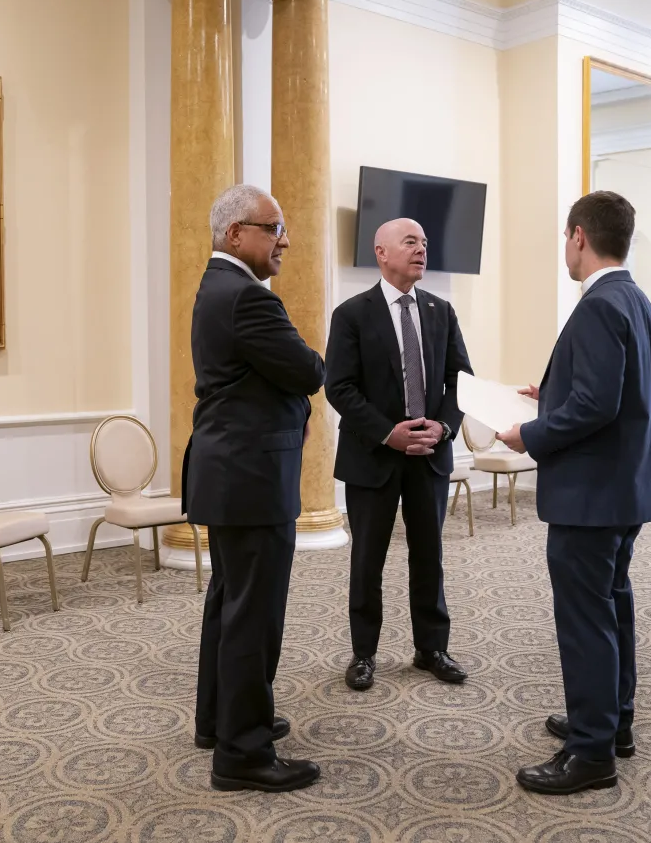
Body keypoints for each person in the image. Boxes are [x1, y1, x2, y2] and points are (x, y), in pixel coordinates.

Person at [497, 190, 651, 795]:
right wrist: (553, 399)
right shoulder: (638, 301)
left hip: (589, 492)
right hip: (623, 487)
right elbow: (615, 396)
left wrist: (530, 434)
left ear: (578, 236)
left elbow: (598, 403)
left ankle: (591, 753)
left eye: (565, 240)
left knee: (585, 617)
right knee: (612, 602)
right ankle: (611, 721)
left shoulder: (598, 305)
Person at [187, 183, 326, 793]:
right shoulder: (248, 298)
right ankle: (243, 752)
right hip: (250, 478)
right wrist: (305, 372)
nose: (285, 240)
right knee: (253, 614)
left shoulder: (216, 288)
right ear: (235, 233)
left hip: (230, 473)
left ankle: (220, 720)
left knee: (229, 601)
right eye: (274, 228)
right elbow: (308, 370)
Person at [325, 218, 473, 693]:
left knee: (429, 555)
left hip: (428, 454)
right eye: (410, 242)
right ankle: (364, 654)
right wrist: (388, 433)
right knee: (368, 559)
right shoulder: (352, 313)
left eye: (425, 243)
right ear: (381, 252)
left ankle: (431, 648)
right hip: (374, 457)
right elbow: (339, 387)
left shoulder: (440, 311)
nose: (421, 250)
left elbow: (460, 381)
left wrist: (444, 426)